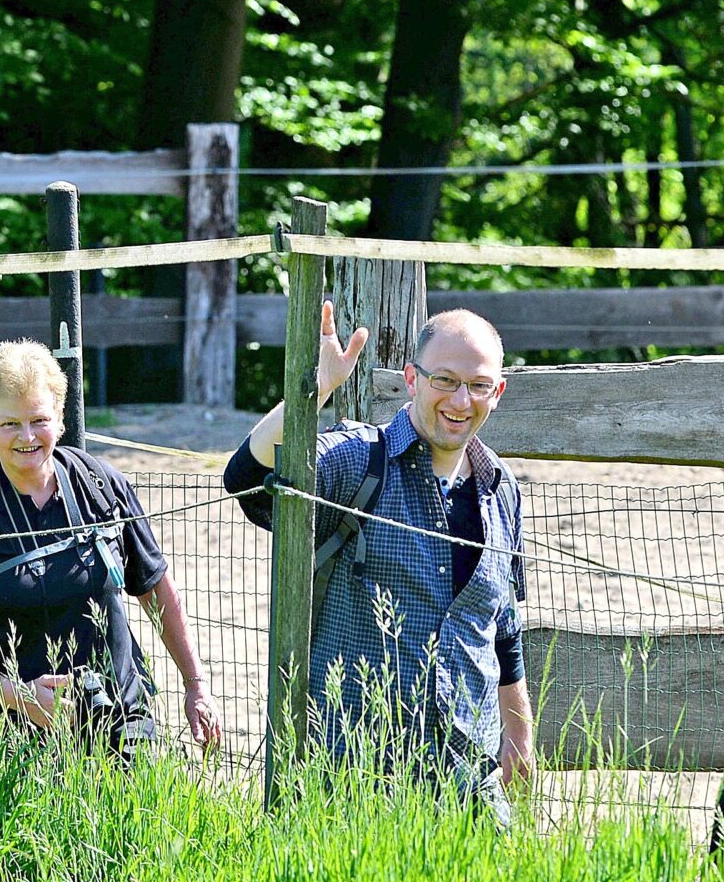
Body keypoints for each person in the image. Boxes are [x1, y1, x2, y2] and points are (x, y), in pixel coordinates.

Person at [225, 305, 535, 808]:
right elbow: (245, 482)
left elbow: (503, 624)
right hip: (356, 778)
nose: (461, 400)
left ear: (497, 393)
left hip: (470, 785)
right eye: (444, 380)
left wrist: (518, 732)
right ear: (412, 379)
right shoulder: (358, 462)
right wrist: (313, 391)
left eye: (478, 385)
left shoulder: (503, 491)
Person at [0, 340, 220, 753]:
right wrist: (19, 696)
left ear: (61, 419)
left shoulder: (102, 485)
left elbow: (156, 588)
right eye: (10, 423)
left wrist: (196, 687)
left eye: (39, 420)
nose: (27, 436)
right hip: (2, 739)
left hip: (119, 723)